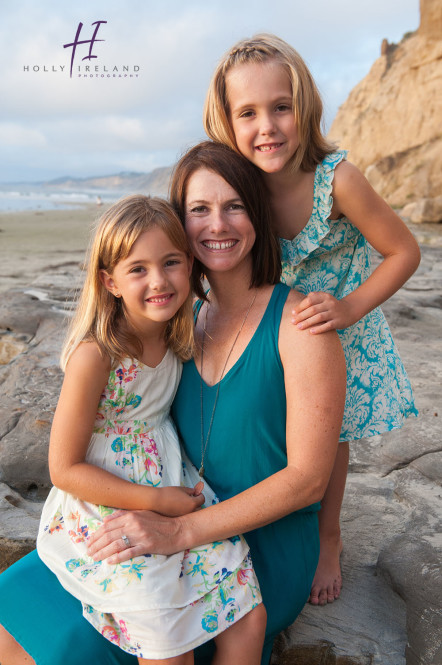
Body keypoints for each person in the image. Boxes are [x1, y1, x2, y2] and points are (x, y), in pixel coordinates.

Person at [0, 143, 346, 665]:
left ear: (258, 212)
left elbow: (308, 480)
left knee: (94, 639)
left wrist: (177, 527)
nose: (217, 224)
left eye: (234, 205)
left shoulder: (301, 325)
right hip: (156, 506)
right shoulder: (182, 322)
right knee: (13, 605)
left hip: (250, 543)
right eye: (199, 210)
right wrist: (158, 513)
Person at [202, 33, 421, 606]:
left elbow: (404, 252)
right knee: (277, 426)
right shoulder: (238, 188)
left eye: (281, 107)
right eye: (248, 113)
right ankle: (263, 509)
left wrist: (349, 307)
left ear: (305, 108)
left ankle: (328, 536)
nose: (267, 126)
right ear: (226, 121)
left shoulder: (336, 180)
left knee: (331, 438)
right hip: (274, 333)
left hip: (337, 327)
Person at [22, 194, 267, 665]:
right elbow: (63, 468)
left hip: (172, 482)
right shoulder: (96, 356)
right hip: (108, 502)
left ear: (190, 264)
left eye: (171, 262)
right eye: (138, 269)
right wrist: (155, 501)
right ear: (108, 281)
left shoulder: (180, 332)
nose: (158, 281)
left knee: (247, 614)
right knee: (166, 638)